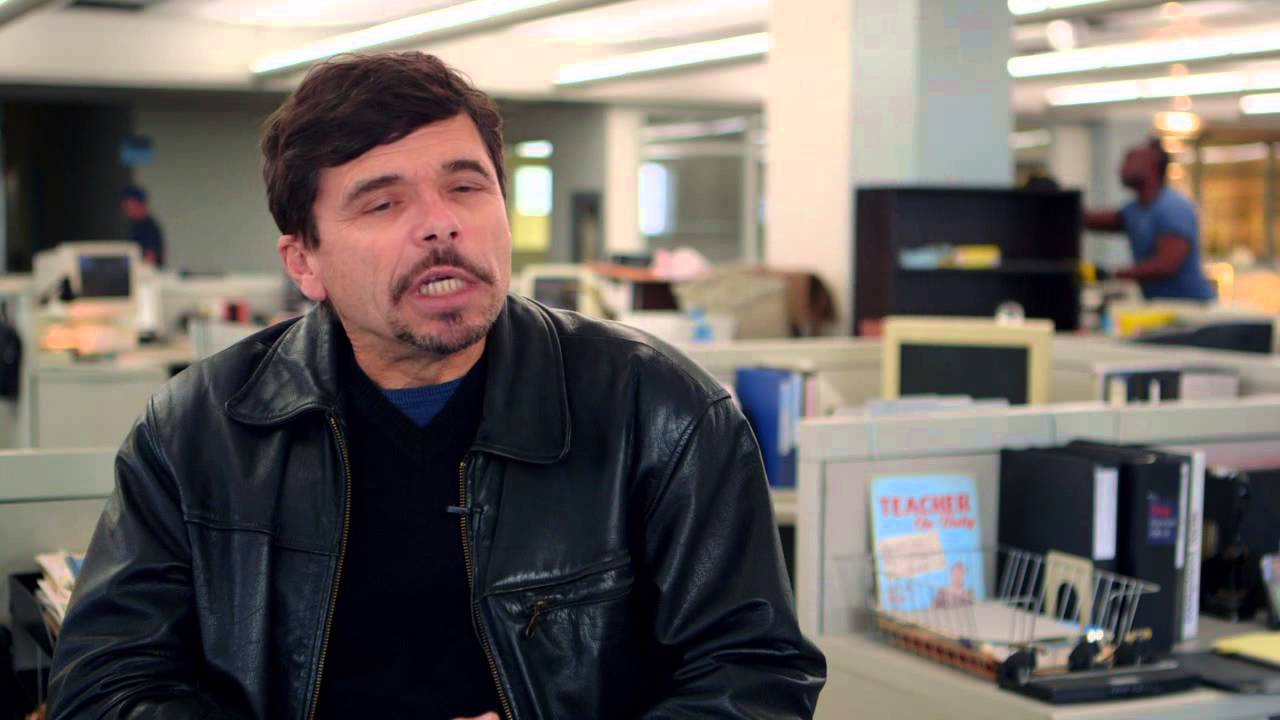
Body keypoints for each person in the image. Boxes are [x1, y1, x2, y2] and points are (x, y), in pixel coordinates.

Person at [48, 52, 825, 720]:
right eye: (383, 202)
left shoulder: (660, 413)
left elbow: (753, 677)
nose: (440, 224)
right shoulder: (198, 429)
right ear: (304, 262)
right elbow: (104, 684)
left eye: (466, 187)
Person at [1085, 138, 1215, 301]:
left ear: (1152, 164)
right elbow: (1090, 220)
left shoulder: (1173, 207)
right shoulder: (1135, 210)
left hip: (1190, 305)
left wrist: (1113, 273)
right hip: (1159, 303)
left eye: (1130, 160)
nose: (1121, 168)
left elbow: (1166, 265)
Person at [120, 185, 166, 268]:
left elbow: (150, 258)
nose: (125, 209)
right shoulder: (135, 226)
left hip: (147, 274)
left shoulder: (148, 227)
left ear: (137, 203)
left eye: (128, 205)